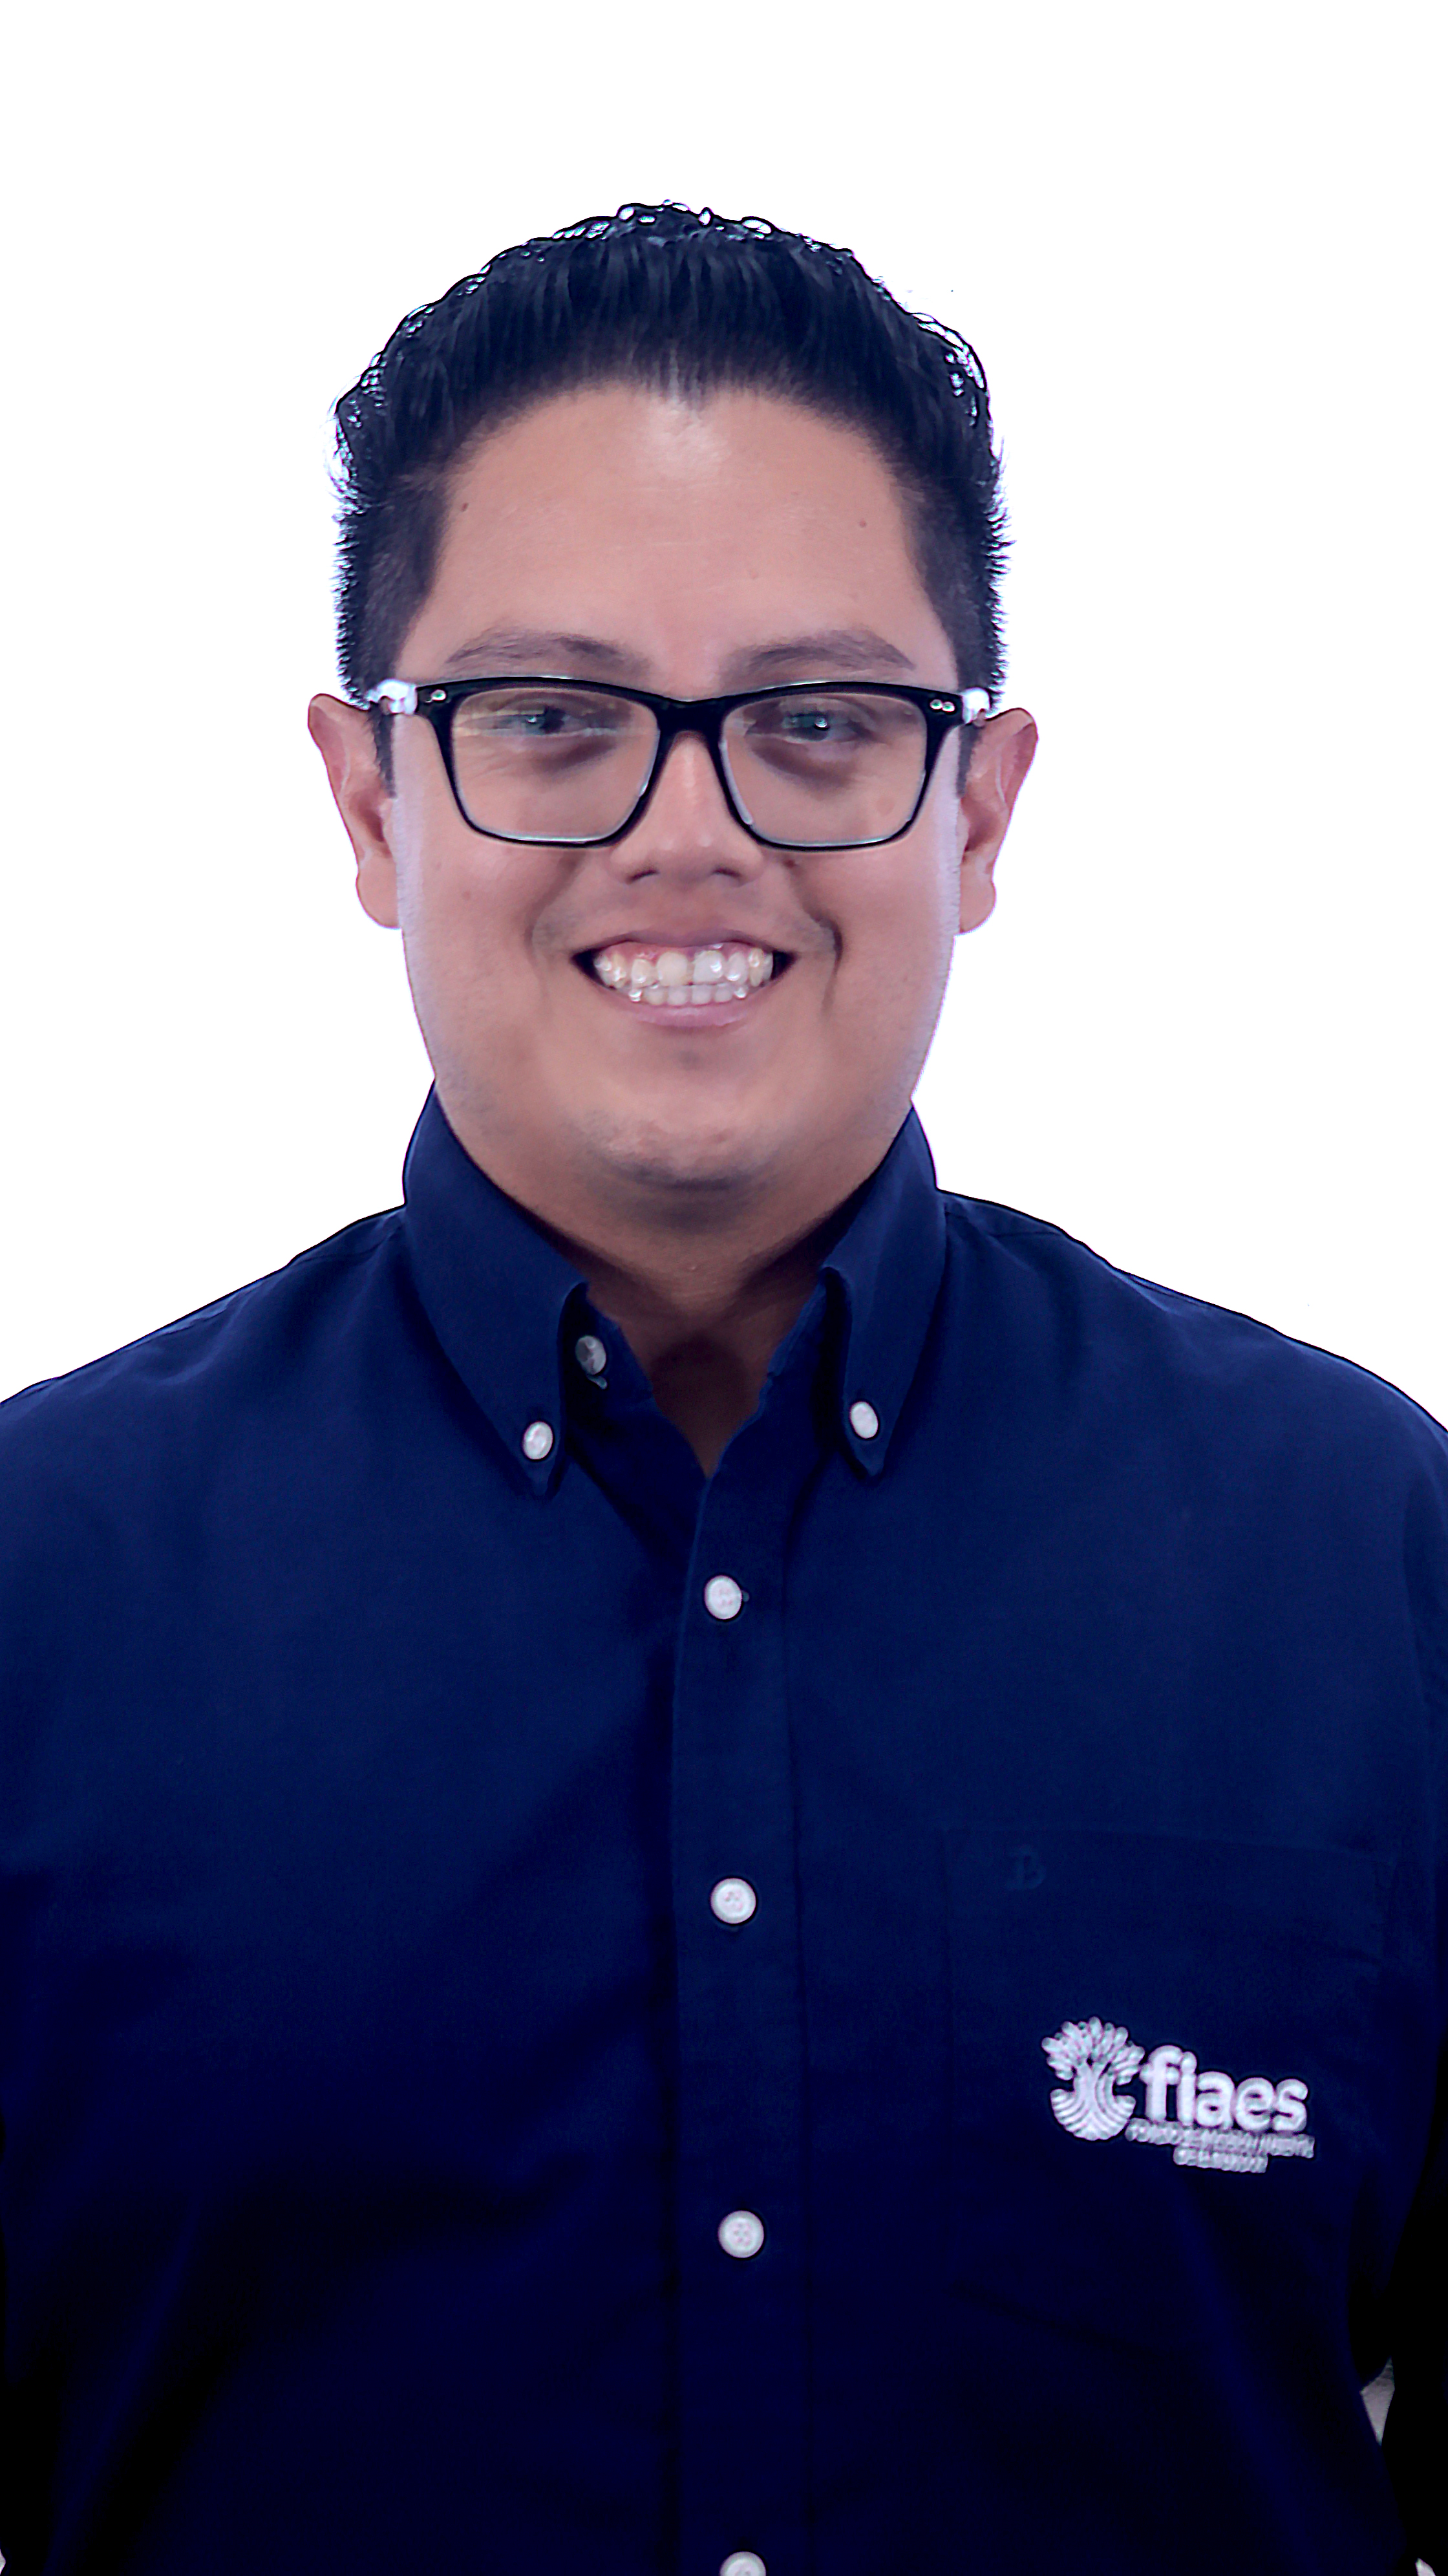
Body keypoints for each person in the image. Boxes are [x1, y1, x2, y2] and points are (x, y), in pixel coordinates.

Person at [0, 202, 1443, 2576]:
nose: (691, 831)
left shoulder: (1372, 1565)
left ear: (981, 812)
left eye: (819, 722)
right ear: (369, 805)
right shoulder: (41, 1597)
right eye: (552, 717)